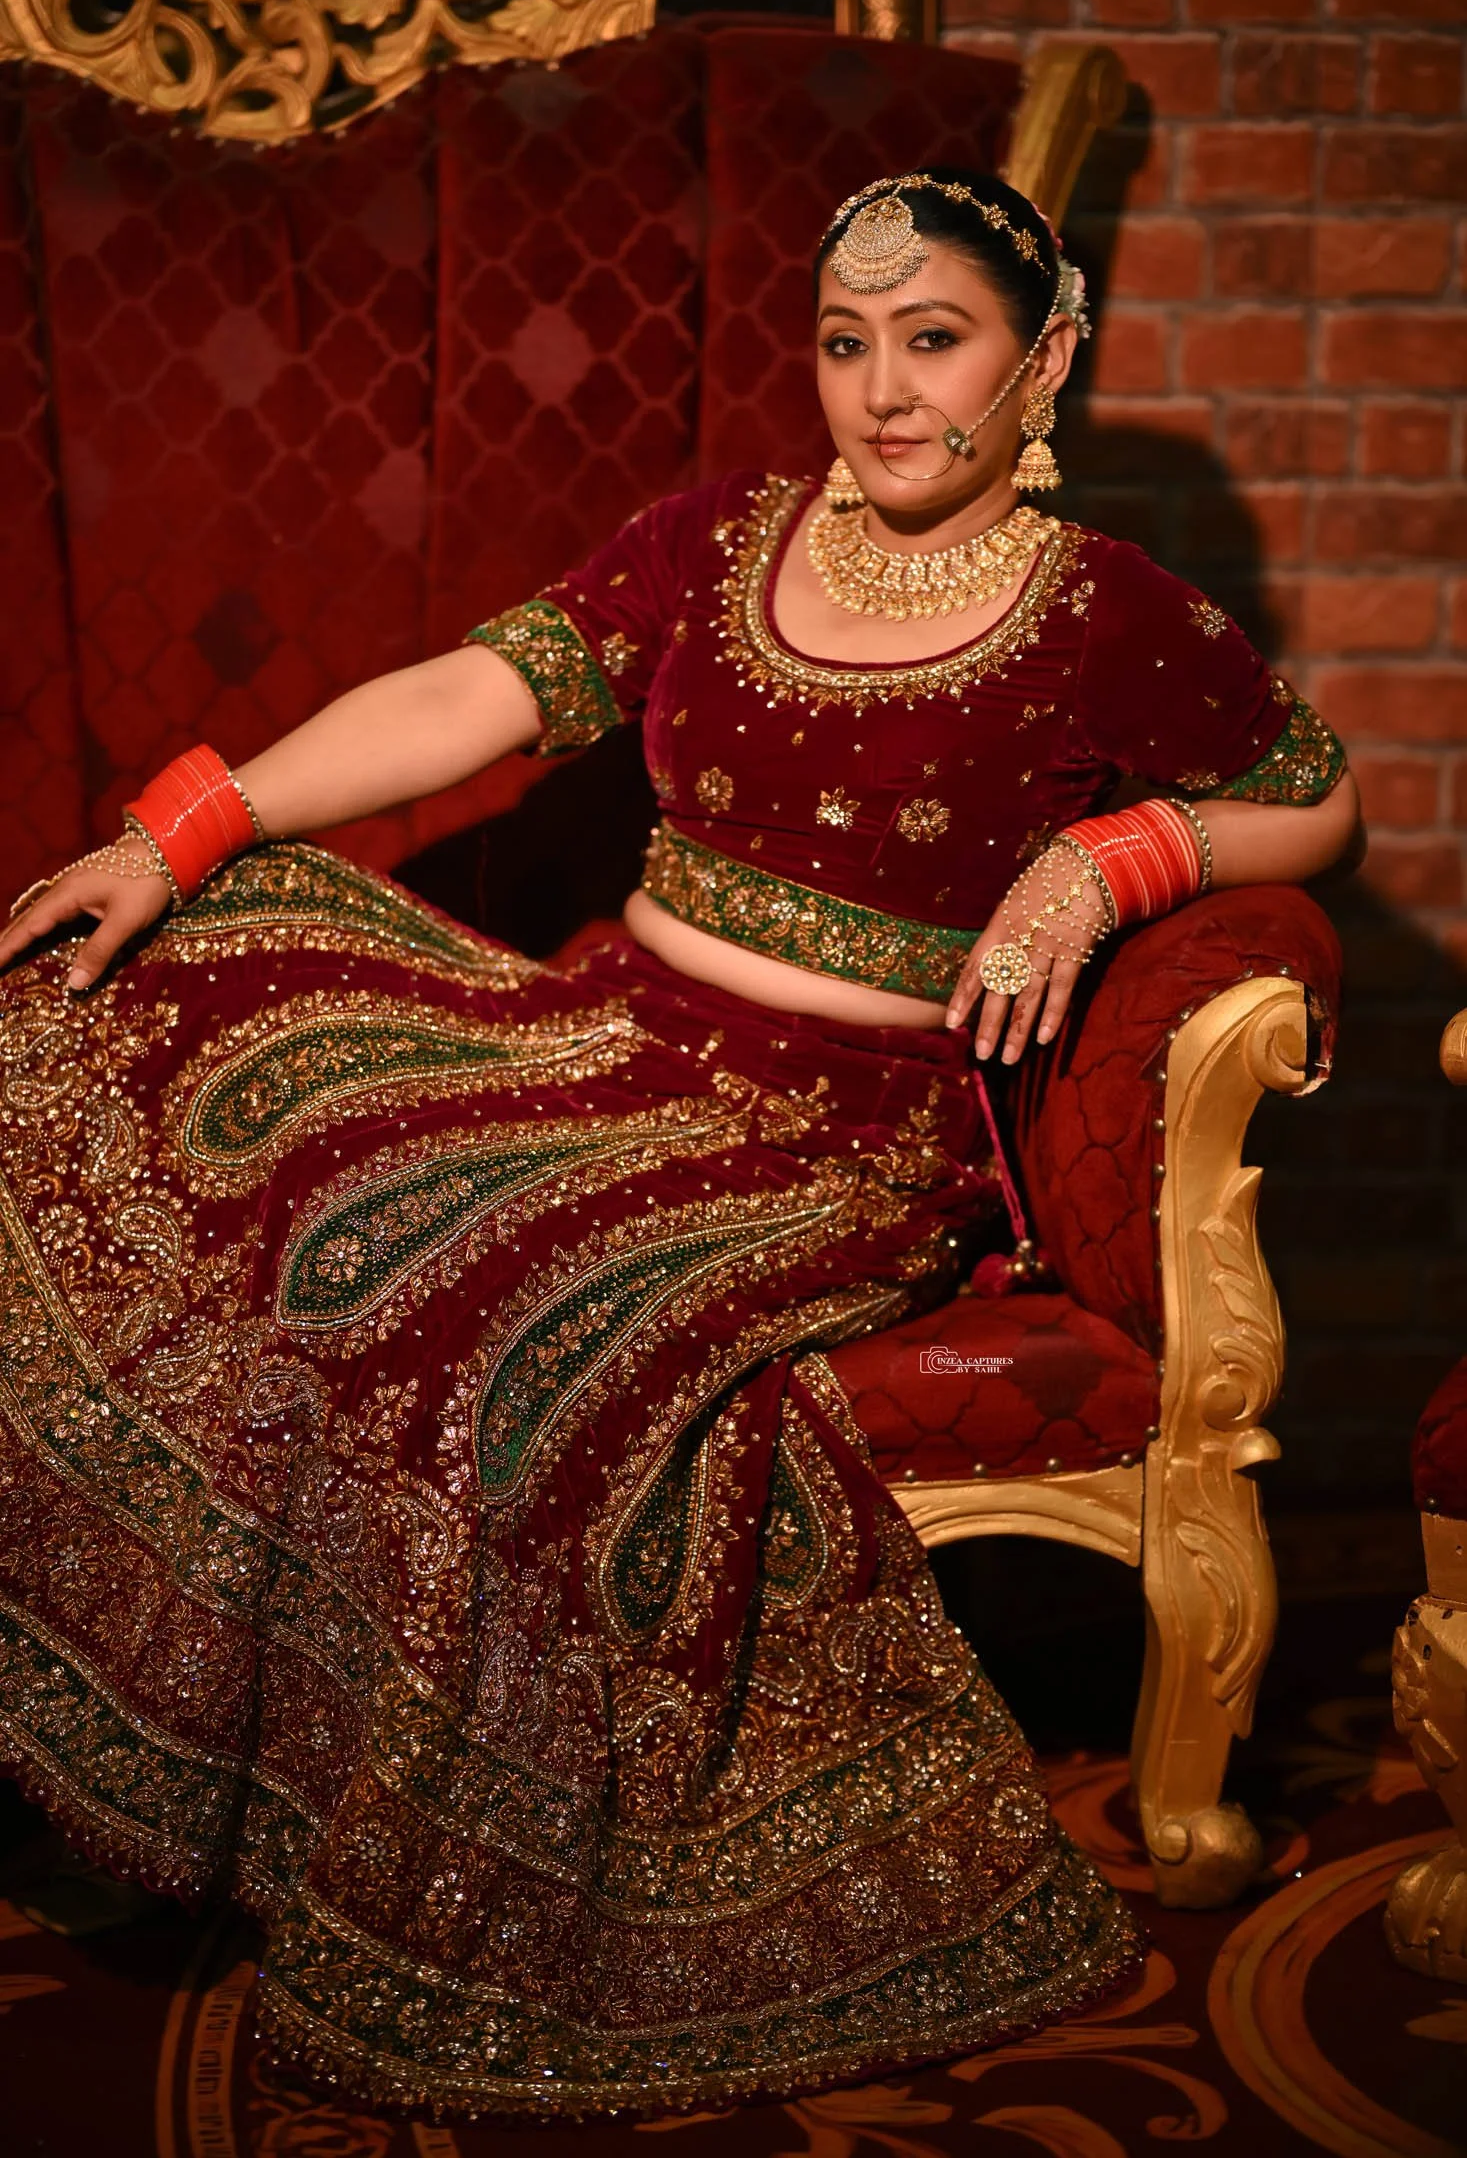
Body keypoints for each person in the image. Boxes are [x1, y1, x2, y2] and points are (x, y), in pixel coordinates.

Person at [0, 166, 1359, 2126]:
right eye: (846, 343)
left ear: (1044, 354)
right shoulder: (718, 540)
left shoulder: (1105, 612)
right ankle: (209, 1729)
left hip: (833, 1138)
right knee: (186, 1010)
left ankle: (414, 1841)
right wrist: (177, 828)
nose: (883, 393)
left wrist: (1118, 853)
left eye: (935, 341)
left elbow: (1305, 794)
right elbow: (470, 695)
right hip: (598, 1027)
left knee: (492, 1306)